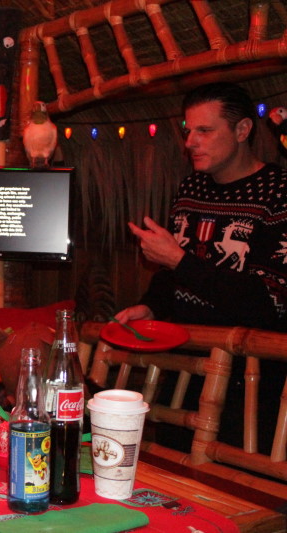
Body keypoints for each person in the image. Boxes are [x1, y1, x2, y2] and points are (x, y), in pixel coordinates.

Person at [116, 82, 287, 451]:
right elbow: (176, 274)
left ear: (242, 130)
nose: (190, 142)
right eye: (188, 130)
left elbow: (267, 304)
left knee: (234, 481)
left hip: (251, 383)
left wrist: (178, 260)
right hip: (187, 370)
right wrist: (152, 305)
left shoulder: (279, 193)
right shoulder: (191, 188)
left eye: (205, 130)